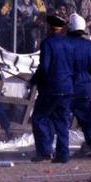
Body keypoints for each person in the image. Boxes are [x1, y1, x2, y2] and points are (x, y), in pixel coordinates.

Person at [30, 15, 74, 163]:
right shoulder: (69, 42)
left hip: (52, 87)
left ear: (49, 27)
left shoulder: (47, 43)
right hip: (67, 86)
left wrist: (35, 79)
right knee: (62, 121)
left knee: (39, 117)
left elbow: (45, 66)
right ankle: (63, 154)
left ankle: (44, 151)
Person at [66, 14, 91, 158]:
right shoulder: (89, 46)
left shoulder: (63, 44)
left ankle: (58, 148)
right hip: (83, 85)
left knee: (61, 117)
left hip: (66, 85)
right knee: (87, 118)